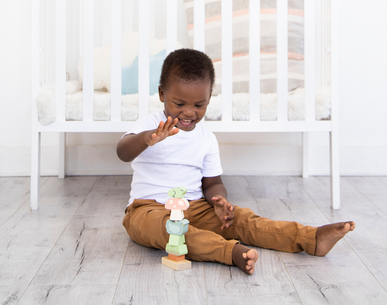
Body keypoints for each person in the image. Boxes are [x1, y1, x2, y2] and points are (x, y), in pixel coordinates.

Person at [117, 48, 355, 274]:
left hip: (195, 207)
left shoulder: (206, 139)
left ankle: (310, 238)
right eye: (179, 104)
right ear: (162, 94)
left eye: (199, 105)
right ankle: (229, 252)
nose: (189, 112)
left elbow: (212, 183)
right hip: (147, 209)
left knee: (244, 220)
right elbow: (123, 152)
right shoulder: (149, 126)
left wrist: (219, 200)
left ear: (209, 98)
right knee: (173, 232)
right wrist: (147, 139)